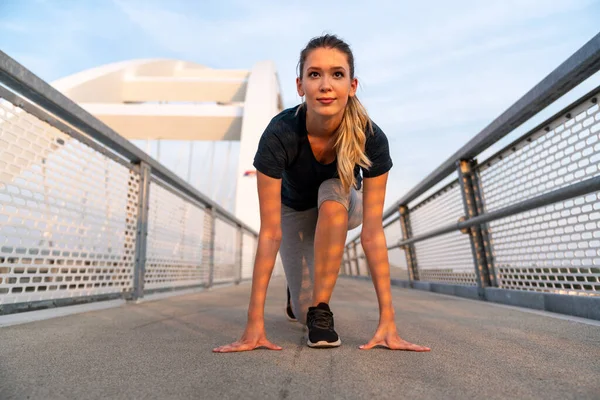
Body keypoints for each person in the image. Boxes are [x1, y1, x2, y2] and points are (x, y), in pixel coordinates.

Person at [213, 34, 430, 352]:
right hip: (294, 210)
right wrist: (253, 325)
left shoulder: (371, 137)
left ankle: (321, 310)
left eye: (337, 74)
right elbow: (271, 233)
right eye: (314, 74)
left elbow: (371, 234)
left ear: (352, 86)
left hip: (343, 205)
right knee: (299, 313)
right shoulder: (280, 134)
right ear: (300, 86)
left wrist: (388, 322)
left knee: (332, 193)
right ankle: (298, 296)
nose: (325, 85)